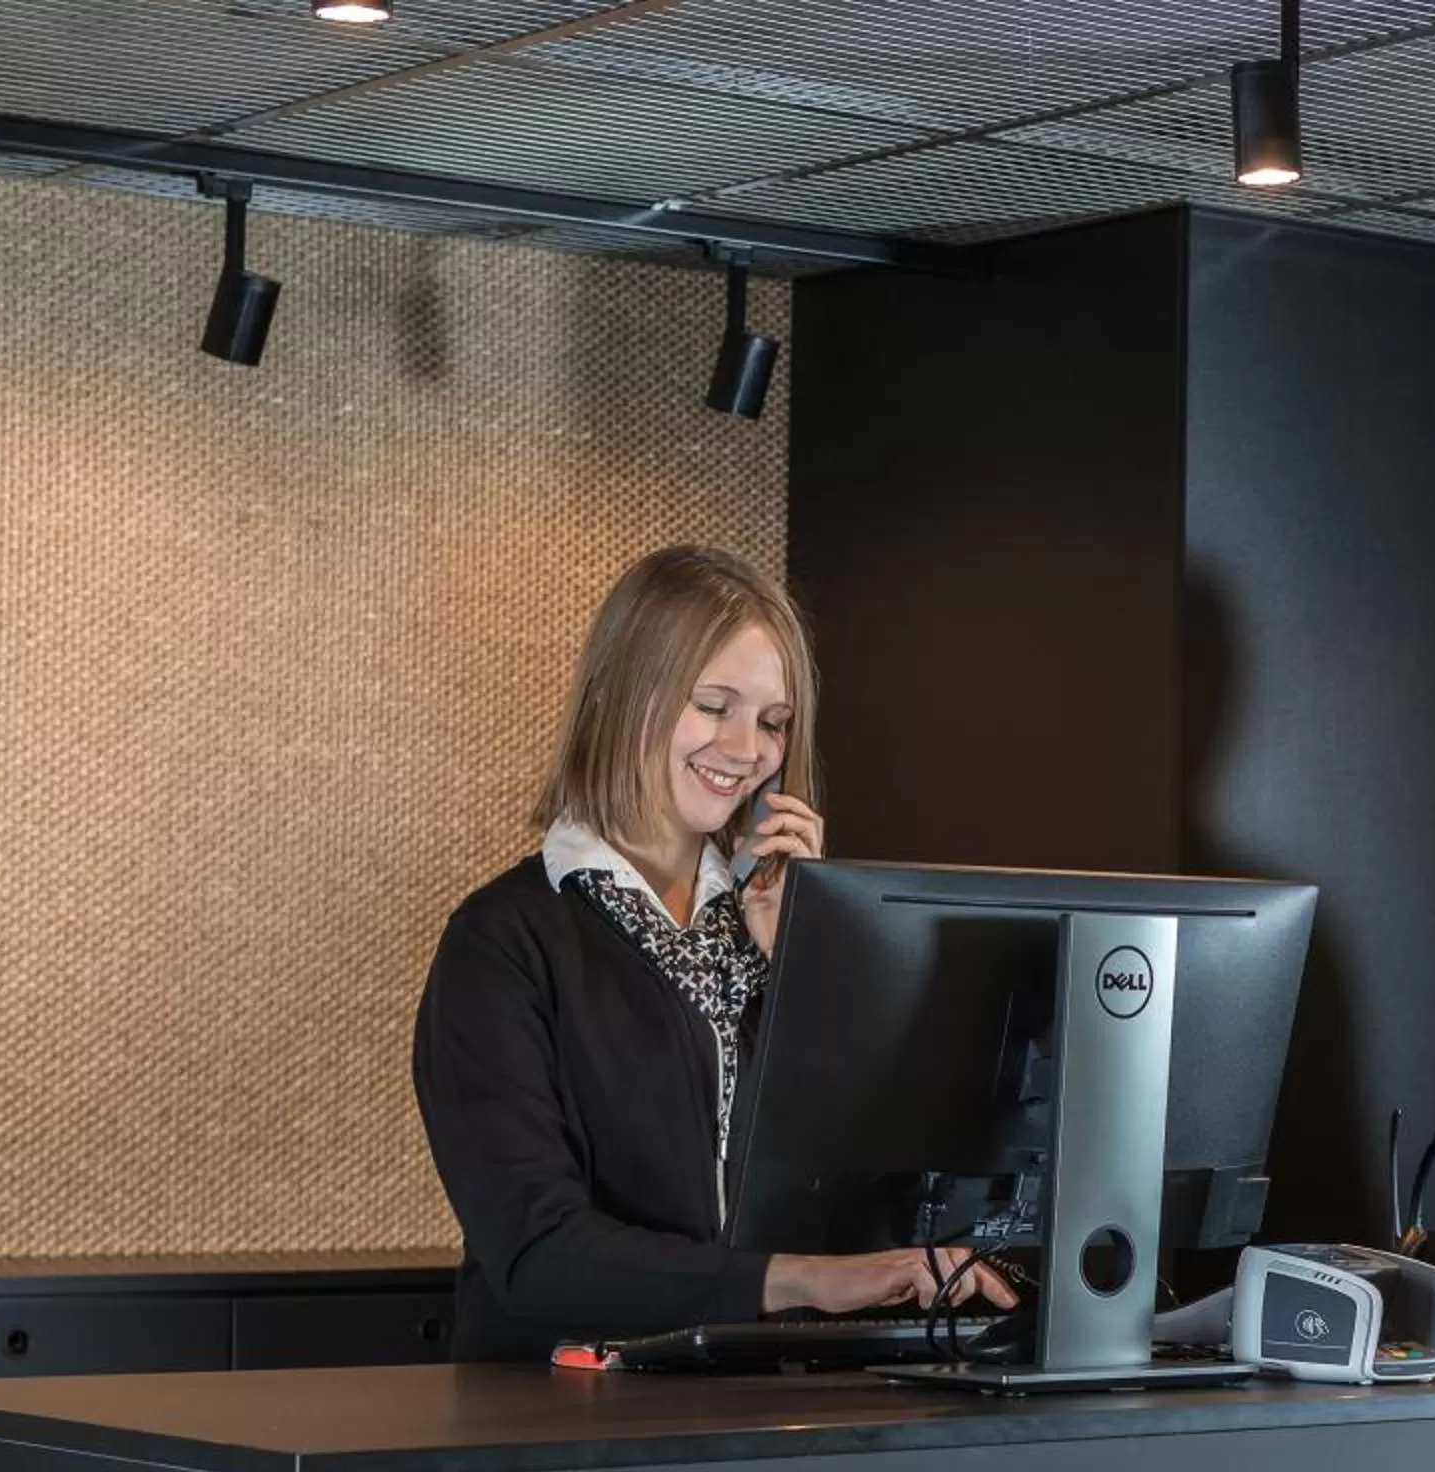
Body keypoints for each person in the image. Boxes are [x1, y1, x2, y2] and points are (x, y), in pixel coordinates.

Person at [413, 545, 1013, 1362]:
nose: (745, 748)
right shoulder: (503, 943)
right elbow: (537, 1250)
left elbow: (880, 1196)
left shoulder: (770, 928)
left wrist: (811, 963)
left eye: (773, 722)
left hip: (765, 1392)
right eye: (713, 706)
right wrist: (798, 1279)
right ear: (619, 694)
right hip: (562, 1406)